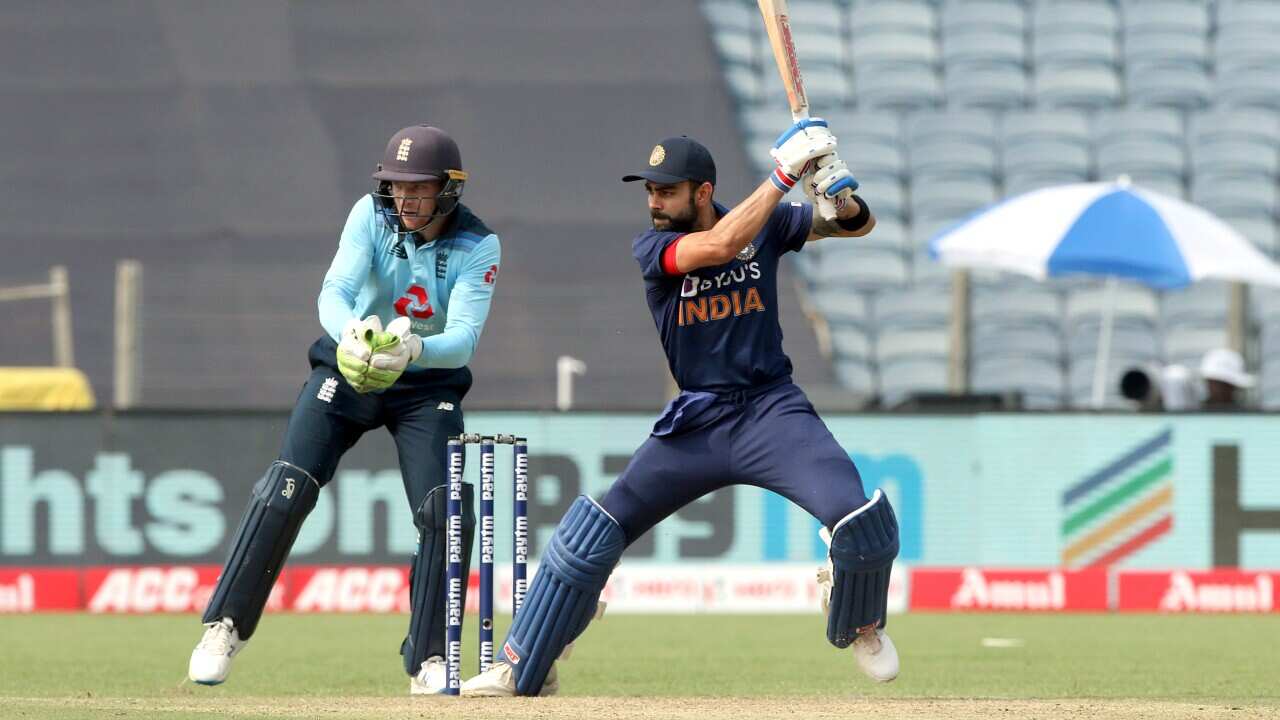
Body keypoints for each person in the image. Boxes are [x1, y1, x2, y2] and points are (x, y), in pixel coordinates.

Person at [461, 120, 899, 697]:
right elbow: (719, 246)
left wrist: (838, 195)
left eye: (665, 191)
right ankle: (523, 663)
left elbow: (854, 227)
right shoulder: (654, 246)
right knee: (594, 530)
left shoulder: (764, 221)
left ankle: (860, 618)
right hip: (697, 422)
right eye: (649, 190)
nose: (653, 202)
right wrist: (786, 175)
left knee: (858, 519)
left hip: (772, 411)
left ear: (701, 192)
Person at [186, 124, 501, 695]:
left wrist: (414, 349)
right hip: (349, 367)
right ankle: (224, 626)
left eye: (418, 188)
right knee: (287, 486)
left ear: (450, 188)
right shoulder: (369, 215)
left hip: (425, 383)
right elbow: (334, 291)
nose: (404, 200)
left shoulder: (479, 245)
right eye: (395, 186)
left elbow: (464, 338)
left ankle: (428, 658)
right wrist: (352, 335)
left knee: (446, 510)